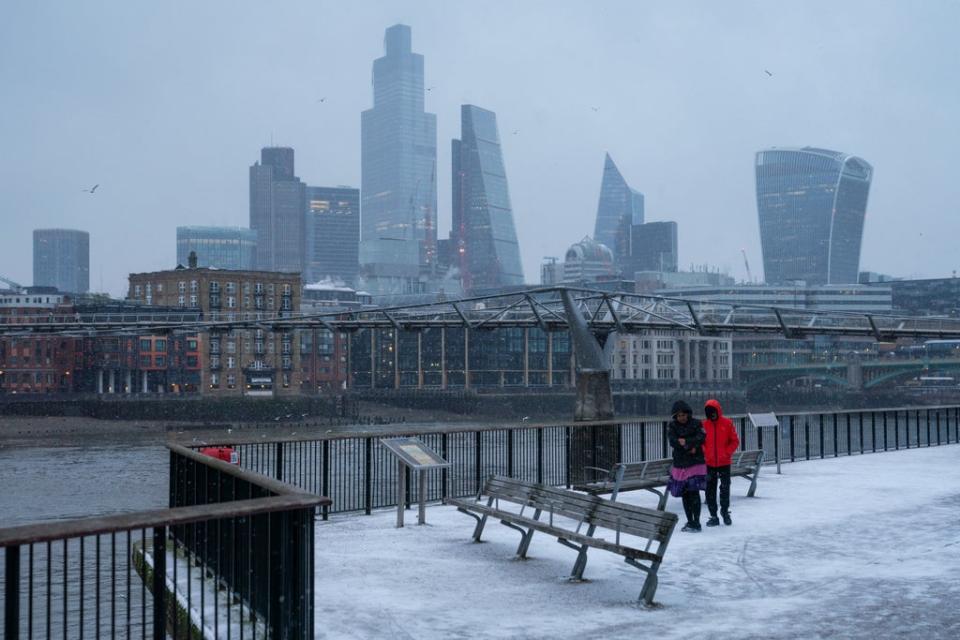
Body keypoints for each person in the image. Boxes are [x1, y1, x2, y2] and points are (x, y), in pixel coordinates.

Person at [666, 400, 707, 532]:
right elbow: (673, 441)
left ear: (688, 414)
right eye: (679, 416)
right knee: (685, 494)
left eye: (683, 415)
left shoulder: (696, 423)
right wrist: (691, 445)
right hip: (681, 463)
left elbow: (702, 437)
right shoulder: (672, 426)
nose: (682, 418)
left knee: (694, 492)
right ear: (675, 417)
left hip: (694, 463)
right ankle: (690, 521)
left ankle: (696, 522)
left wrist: (686, 443)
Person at [702, 398, 740, 527]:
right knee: (710, 490)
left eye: (713, 412)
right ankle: (714, 515)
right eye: (709, 412)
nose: (711, 415)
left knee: (725, 488)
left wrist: (726, 453)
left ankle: (724, 512)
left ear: (718, 411)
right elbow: (701, 442)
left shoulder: (727, 423)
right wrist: (706, 453)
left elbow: (734, 441)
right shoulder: (704, 425)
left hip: (724, 462)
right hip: (710, 463)